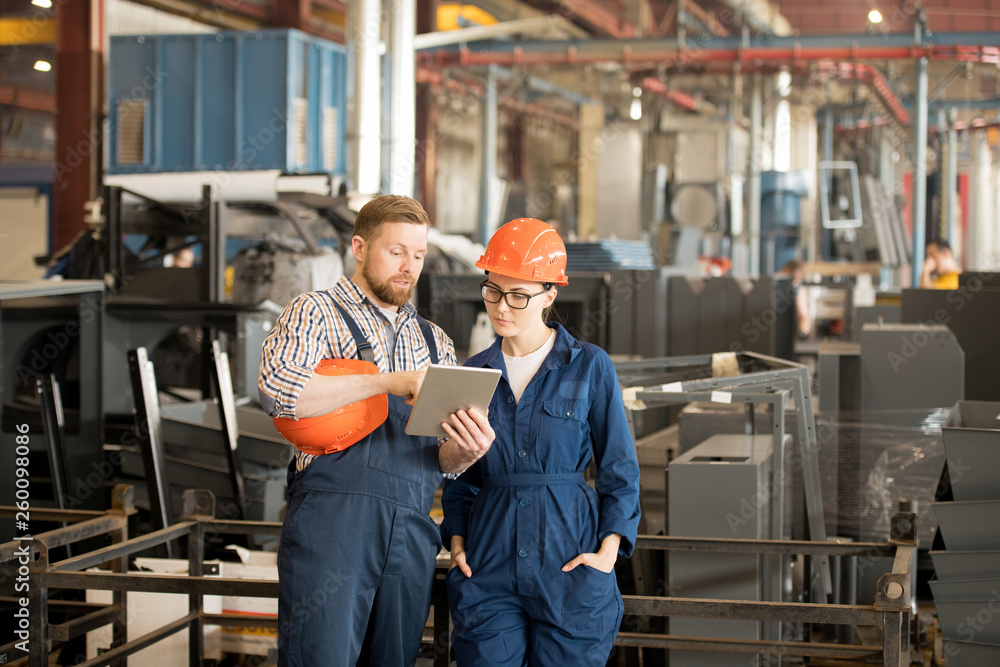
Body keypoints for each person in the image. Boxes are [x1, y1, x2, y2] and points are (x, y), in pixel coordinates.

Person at [258, 194, 495, 667]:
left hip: (410, 528)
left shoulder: (435, 342)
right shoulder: (314, 312)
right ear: (360, 248)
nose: (409, 266)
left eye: (419, 255)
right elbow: (280, 392)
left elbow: (439, 459)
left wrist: (466, 452)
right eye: (396, 252)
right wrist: (388, 381)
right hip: (334, 522)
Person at [440, 218, 641, 666]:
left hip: (569, 562)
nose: (501, 307)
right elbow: (461, 474)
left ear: (550, 295)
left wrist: (608, 552)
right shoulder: (472, 374)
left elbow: (618, 468)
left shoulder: (590, 366)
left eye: (518, 295)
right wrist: (456, 542)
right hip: (488, 564)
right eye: (493, 290)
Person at [778, 259, 812, 338]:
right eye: (793, 278)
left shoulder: (798, 288)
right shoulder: (777, 281)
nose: (795, 282)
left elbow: (803, 315)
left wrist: (802, 332)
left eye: (797, 279)